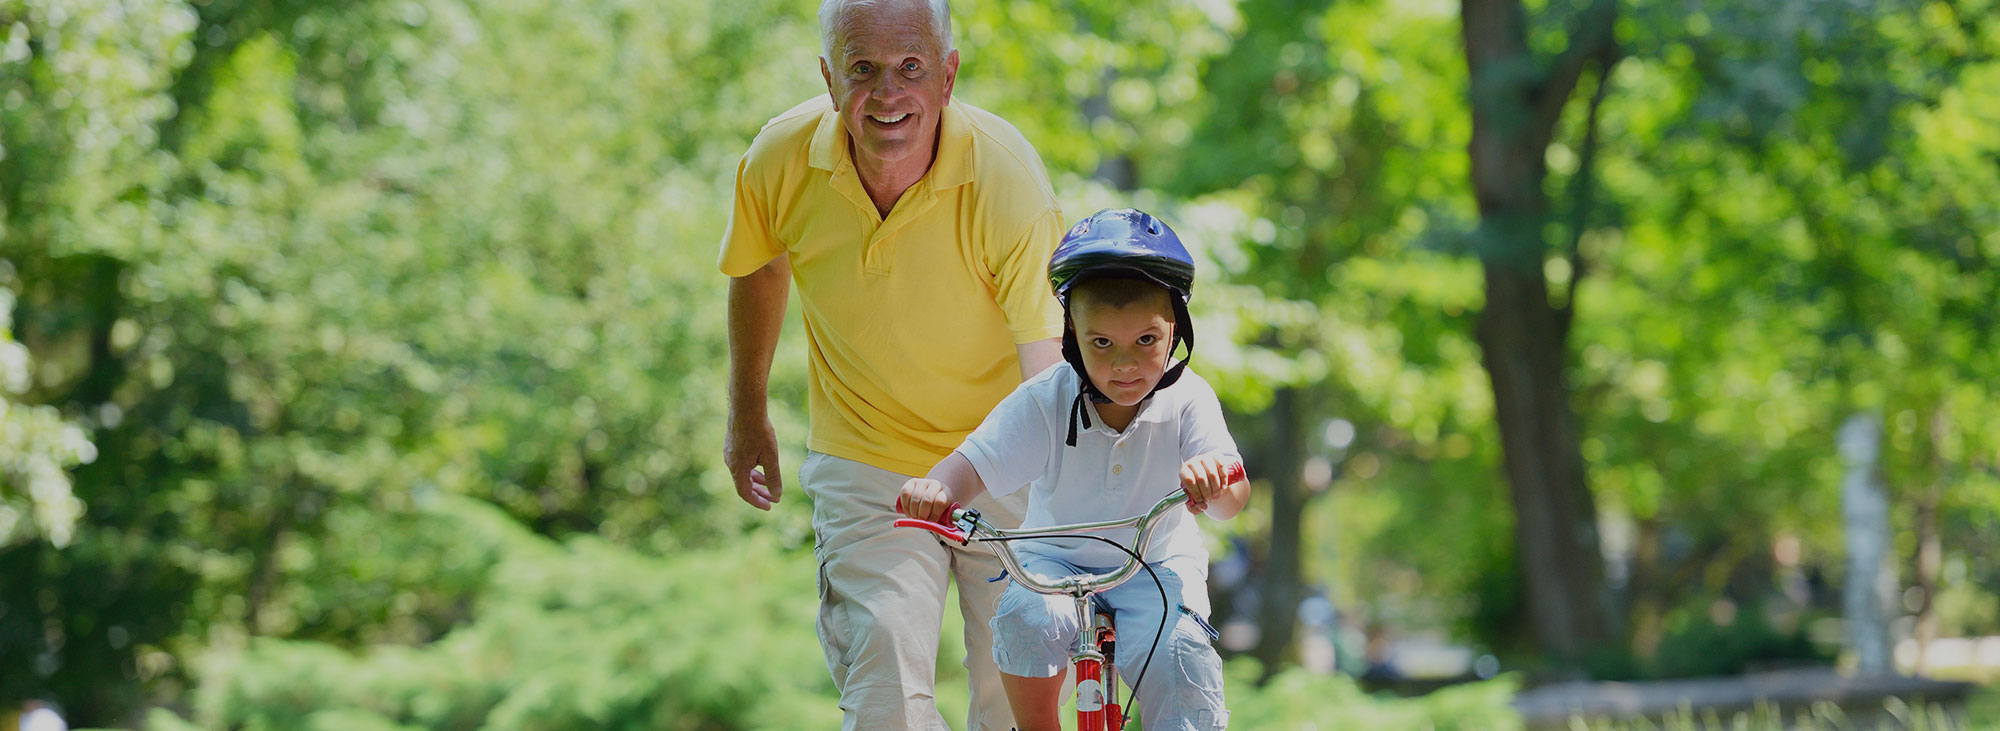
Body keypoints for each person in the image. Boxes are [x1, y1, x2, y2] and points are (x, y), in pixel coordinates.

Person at [716, 0, 1067, 727]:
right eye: (862, 69)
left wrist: (1068, 497)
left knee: (1017, 691)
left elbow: (1047, 362)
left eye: (910, 67)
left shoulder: (1006, 180)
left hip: (1002, 456)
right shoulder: (781, 157)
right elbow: (758, 266)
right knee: (883, 685)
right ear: (827, 77)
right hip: (867, 455)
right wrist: (747, 410)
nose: (887, 94)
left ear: (947, 75)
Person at [897, 208, 1248, 731]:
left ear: (1175, 331)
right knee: (1024, 617)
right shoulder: (1045, 399)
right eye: (1101, 343)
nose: (1124, 364)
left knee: (1179, 655)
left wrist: (1214, 481)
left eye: (1145, 341)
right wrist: (937, 488)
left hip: (1154, 563)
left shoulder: (1190, 399)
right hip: (1051, 563)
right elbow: (969, 467)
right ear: (1071, 337)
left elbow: (1231, 501)